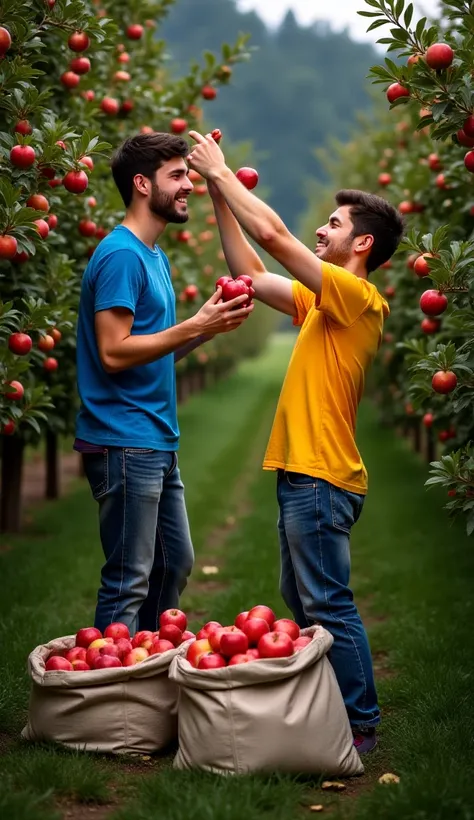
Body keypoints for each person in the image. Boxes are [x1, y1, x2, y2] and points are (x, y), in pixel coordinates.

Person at [186, 130, 404, 753]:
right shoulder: (322, 303)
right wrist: (220, 195)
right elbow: (251, 274)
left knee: (327, 603)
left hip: (320, 475)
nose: (320, 231)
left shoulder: (358, 299)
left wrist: (222, 171)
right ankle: (330, 705)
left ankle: (359, 725)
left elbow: (276, 240)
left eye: (332, 225)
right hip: (304, 473)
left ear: (361, 243)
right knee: (303, 596)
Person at [74, 132, 253, 636]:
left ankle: (145, 675)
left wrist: (205, 326)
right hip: (123, 438)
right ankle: (108, 698)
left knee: (172, 564)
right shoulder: (122, 256)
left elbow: (153, 351)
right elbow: (113, 352)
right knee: (130, 578)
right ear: (141, 184)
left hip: (153, 440)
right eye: (176, 175)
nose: (188, 185)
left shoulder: (155, 256)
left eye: (187, 174)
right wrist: (195, 326)